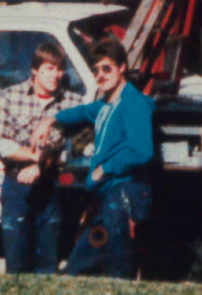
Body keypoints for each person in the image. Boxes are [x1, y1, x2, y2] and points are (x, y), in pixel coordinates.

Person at [44, 38, 154, 278]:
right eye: (95, 70)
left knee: (116, 271)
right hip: (110, 198)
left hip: (125, 195)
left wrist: (104, 169)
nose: (100, 75)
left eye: (107, 68)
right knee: (81, 266)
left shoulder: (133, 103)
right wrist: (52, 119)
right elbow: (84, 112)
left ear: (122, 67)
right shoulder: (107, 104)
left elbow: (142, 150)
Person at [0, 41, 83, 275]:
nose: (56, 75)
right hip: (15, 186)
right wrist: (34, 158)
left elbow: (65, 142)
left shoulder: (72, 103)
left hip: (52, 188)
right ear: (34, 69)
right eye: (49, 68)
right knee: (16, 262)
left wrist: (41, 166)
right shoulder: (11, 96)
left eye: (60, 69)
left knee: (47, 264)